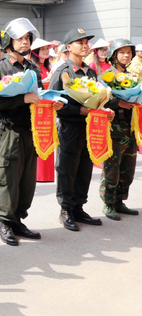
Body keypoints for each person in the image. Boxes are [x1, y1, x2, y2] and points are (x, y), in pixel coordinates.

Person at [0, 20, 64, 247]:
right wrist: (21, 98)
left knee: (26, 179)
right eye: (20, 38)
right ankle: (4, 222)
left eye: (28, 39)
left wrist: (51, 102)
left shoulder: (31, 67)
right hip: (9, 131)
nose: (25, 42)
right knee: (8, 178)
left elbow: (37, 95)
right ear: (8, 41)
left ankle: (18, 220)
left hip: (29, 131)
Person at [49, 28, 114, 231]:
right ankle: (66, 209)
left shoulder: (91, 71)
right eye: (80, 42)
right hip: (69, 127)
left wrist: (105, 110)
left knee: (85, 167)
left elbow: (98, 98)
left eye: (87, 42)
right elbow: (54, 102)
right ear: (69, 48)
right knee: (67, 168)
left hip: (90, 127)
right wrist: (81, 110)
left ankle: (79, 206)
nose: (86, 46)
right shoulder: (62, 72)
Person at [99, 39, 139, 220]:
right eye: (122, 52)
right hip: (113, 130)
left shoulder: (133, 76)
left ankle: (120, 200)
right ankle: (108, 202)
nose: (126, 55)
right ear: (113, 55)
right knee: (112, 168)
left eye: (129, 52)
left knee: (128, 168)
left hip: (130, 128)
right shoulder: (105, 76)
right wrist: (118, 102)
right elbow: (97, 100)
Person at [30, 38, 57, 183]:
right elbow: (35, 85)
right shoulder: (31, 67)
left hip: (49, 107)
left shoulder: (49, 66)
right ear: (36, 52)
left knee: (49, 137)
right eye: (43, 49)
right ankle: (38, 174)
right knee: (39, 137)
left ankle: (47, 174)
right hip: (38, 107)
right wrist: (49, 79)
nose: (46, 51)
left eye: (47, 49)